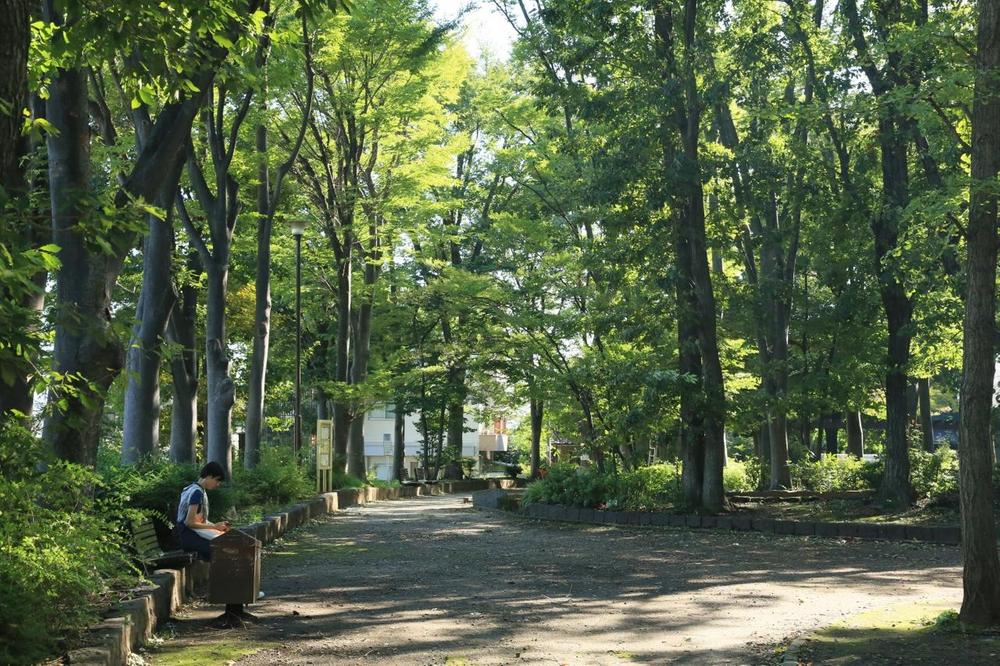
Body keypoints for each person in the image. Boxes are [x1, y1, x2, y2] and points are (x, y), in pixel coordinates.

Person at [176, 462, 230, 561]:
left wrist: (217, 527)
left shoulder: (193, 489)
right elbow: (189, 522)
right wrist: (214, 527)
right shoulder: (197, 493)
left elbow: (198, 521)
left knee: (225, 544)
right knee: (223, 551)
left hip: (190, 536)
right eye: (217, 480)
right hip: (191, 538)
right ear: (209, 476)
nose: (218, 484)